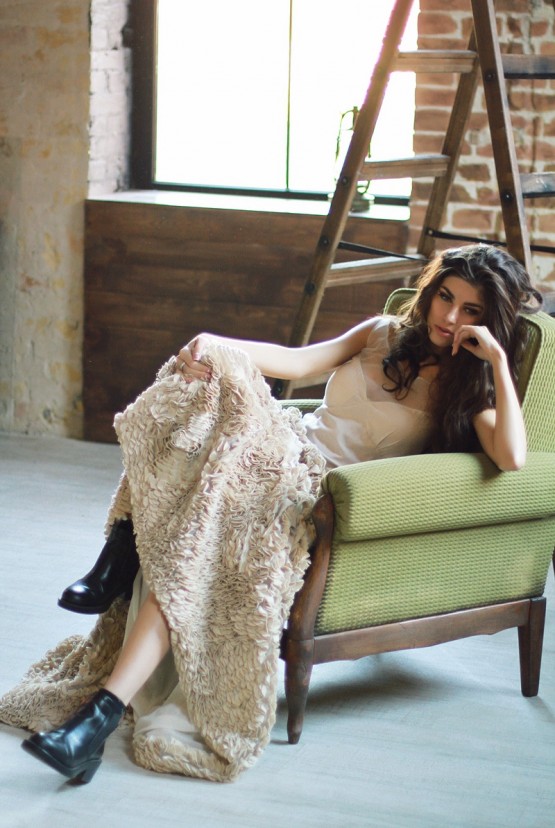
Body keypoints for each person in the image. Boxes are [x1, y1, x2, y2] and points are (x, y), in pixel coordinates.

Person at [12, 243, 543, 784]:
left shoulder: (468, 394)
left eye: (470, 310)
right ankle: (118, 556)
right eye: (445, 297)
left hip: (312, 492)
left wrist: (498, 364)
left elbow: (512, 457)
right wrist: (216, 344)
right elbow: (299, 361)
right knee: (204, 382)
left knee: (190, 550)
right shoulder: (383, 332)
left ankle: (99, 684)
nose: (449, 316)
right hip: (281, 447)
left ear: (488, 323)